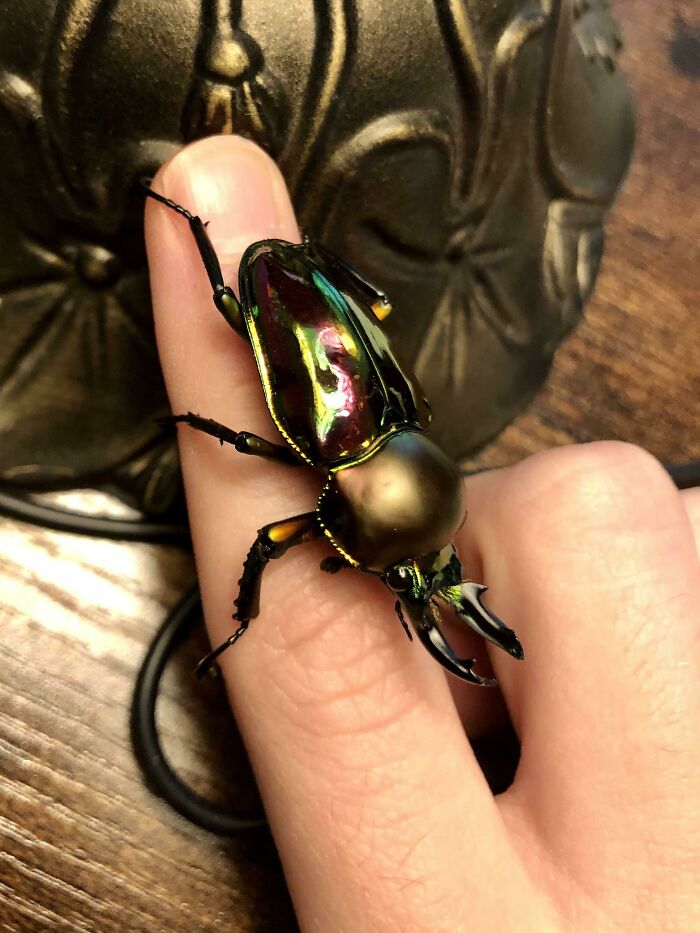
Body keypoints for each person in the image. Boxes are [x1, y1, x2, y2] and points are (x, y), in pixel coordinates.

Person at [144, 134, 700, 931]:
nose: (421, 577)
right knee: (236, 324)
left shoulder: (402, 424)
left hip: (322, 300)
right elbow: (264, 508)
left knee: (356, 321)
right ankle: (192, 222)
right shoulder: (341, 446)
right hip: (286, 289)